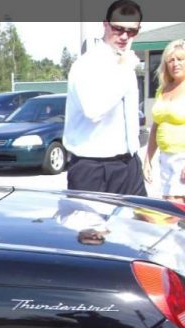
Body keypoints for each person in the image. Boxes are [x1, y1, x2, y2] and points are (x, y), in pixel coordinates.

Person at [63, 0, 146, 196]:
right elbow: (94, 110)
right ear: (105, 24)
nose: (125, 36)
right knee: (93, 227)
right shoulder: (87, 64)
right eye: (118, 29)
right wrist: (124, 70)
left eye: (132, 31)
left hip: (130, 164)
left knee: (140, 225)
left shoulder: (125, 61)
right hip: (93, 168)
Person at [143, 39, 185, 206]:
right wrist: (148, 159)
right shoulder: (163, 89)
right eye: (171, 60)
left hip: (183, 158)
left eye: (180, 59)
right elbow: (156, 126)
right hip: (166, 158)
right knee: (169, 206)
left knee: (177, 208)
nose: (175, 64)